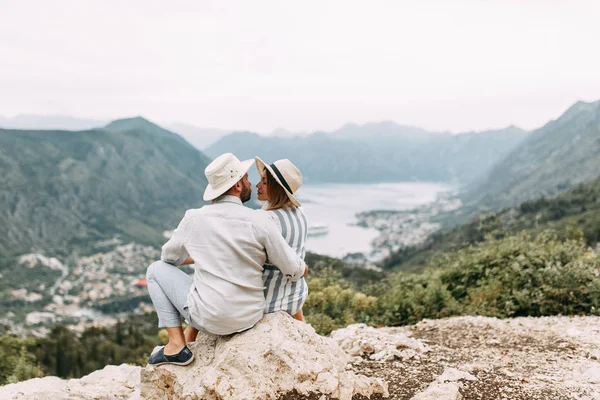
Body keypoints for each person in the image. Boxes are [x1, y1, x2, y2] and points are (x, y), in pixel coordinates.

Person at [145, 153, 308, 366]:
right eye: (247, 178)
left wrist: (203, 253)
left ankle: (176, 345)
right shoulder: (260, 220)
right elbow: (294, 269)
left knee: (155, 270)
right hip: (250, 316)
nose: (251, 182)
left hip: (209, 320)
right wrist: (303, 267)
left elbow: (169, 258)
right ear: (238, 185)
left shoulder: (193, 218)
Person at [255, 157, 308, 322]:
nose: (257, 185)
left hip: (268, 302)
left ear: (276, 188)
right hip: (296, 295)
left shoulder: (265, 219)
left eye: (264, 182)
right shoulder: (301, 214)